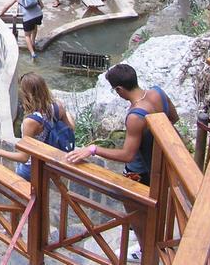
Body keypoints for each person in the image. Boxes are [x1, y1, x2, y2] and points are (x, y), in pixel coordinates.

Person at [66, 64, 178, 262]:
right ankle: (150, 250)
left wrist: (93, 149)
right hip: (160, 167)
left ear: (119, 89)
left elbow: (127, 154)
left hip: (139, 174)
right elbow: (173, 118)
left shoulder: (136, 116)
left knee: (138, 219)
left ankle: (147, 255)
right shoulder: (157, 93)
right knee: (152, 215)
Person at [0, 73, 75, 181]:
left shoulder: (31, 121)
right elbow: (71, 128)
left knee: (21, 193)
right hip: (50, 163)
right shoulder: (58, 106)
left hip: (31, 168)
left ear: (27, 94)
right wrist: (67, 114)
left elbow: (23, 157)